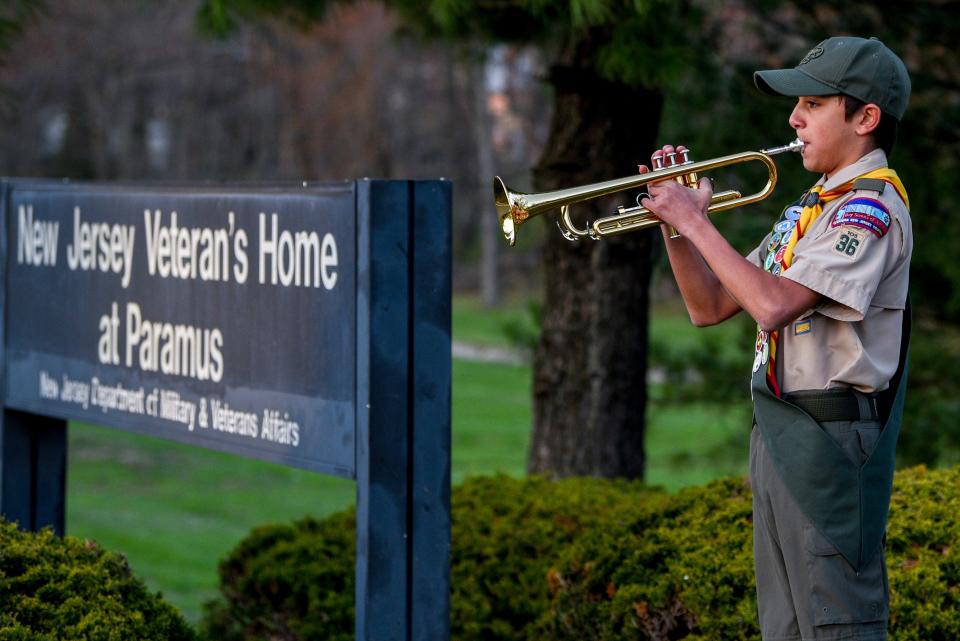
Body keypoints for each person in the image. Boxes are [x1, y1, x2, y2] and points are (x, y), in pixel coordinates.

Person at [639, 36, 912, 641]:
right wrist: (676, 228)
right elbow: (709, 306)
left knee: (836, 623)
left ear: (865, 118)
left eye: (813, 104)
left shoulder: (869, 207)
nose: (793, 118)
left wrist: (696, 220)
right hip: (784, 428)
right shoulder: (810, 211)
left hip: (832, 438)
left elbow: (772, 306)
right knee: (785, 627)